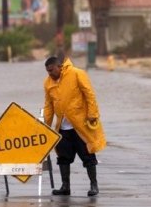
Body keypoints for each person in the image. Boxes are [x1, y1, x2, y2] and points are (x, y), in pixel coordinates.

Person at [43, 55, 107, 196]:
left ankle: (94, 185)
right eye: (47, 71)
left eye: (52, 70)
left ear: (60, 67)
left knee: (88, 156)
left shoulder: (77, 73)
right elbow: (48, 106)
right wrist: (45, 127)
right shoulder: (48, 83)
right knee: (63, 157)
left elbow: (89, 94)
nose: (50, 74)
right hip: (62, 127)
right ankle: (65, 187)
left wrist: (93, 114)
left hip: (80, 125)